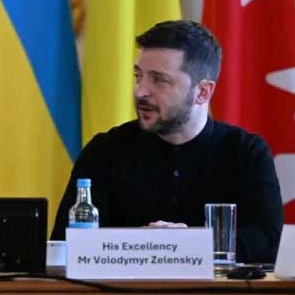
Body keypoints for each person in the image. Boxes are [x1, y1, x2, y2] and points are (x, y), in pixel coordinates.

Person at [51, 20, 283, 263]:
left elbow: (269, 243)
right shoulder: (104, 150)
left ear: (202, 92)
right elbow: (63, 246)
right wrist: (140, 245)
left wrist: (187, 243)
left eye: (159, 80)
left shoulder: (245, 153)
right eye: (138, 76)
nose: (141, 91)